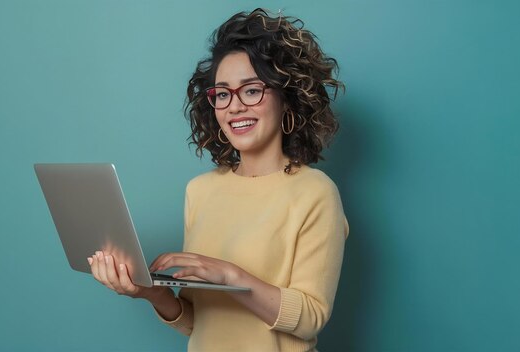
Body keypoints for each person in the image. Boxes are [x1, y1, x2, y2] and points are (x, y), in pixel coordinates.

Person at [87, 8, 349, 351]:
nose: (234, 106)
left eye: (251, 90)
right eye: (222, 93)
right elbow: (199, 320)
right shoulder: (201, 191)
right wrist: (149, 291)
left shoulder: (315, 192)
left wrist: (230, 276)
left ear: (286, 98)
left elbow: (311, 317)